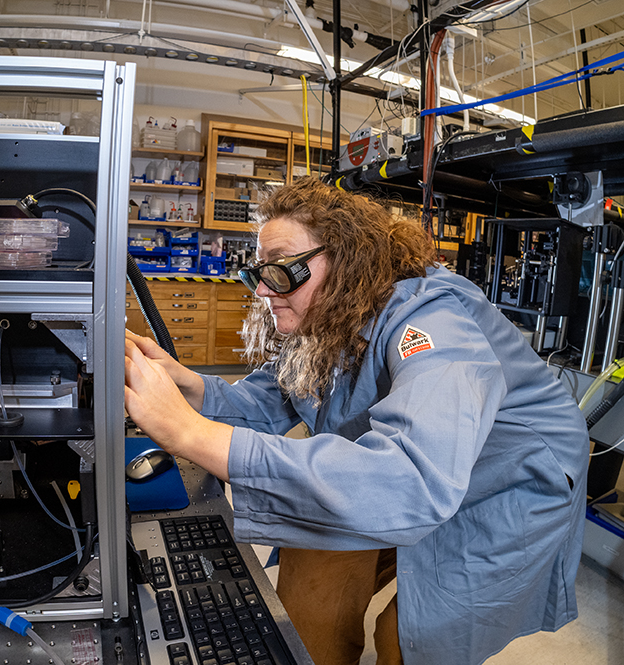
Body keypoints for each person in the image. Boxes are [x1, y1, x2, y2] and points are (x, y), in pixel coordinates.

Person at [124, 176, 588, 665]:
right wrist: (184, 384)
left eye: (281, 271)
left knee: (411, 639)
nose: (263, 290)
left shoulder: (431, 321)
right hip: (418, 474)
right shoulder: (333, 318)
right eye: (259, 273)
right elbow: (273, 399)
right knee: (310, 571)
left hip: (505, 485)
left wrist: (191, 432)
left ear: (347, 260)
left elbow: (409, 478)